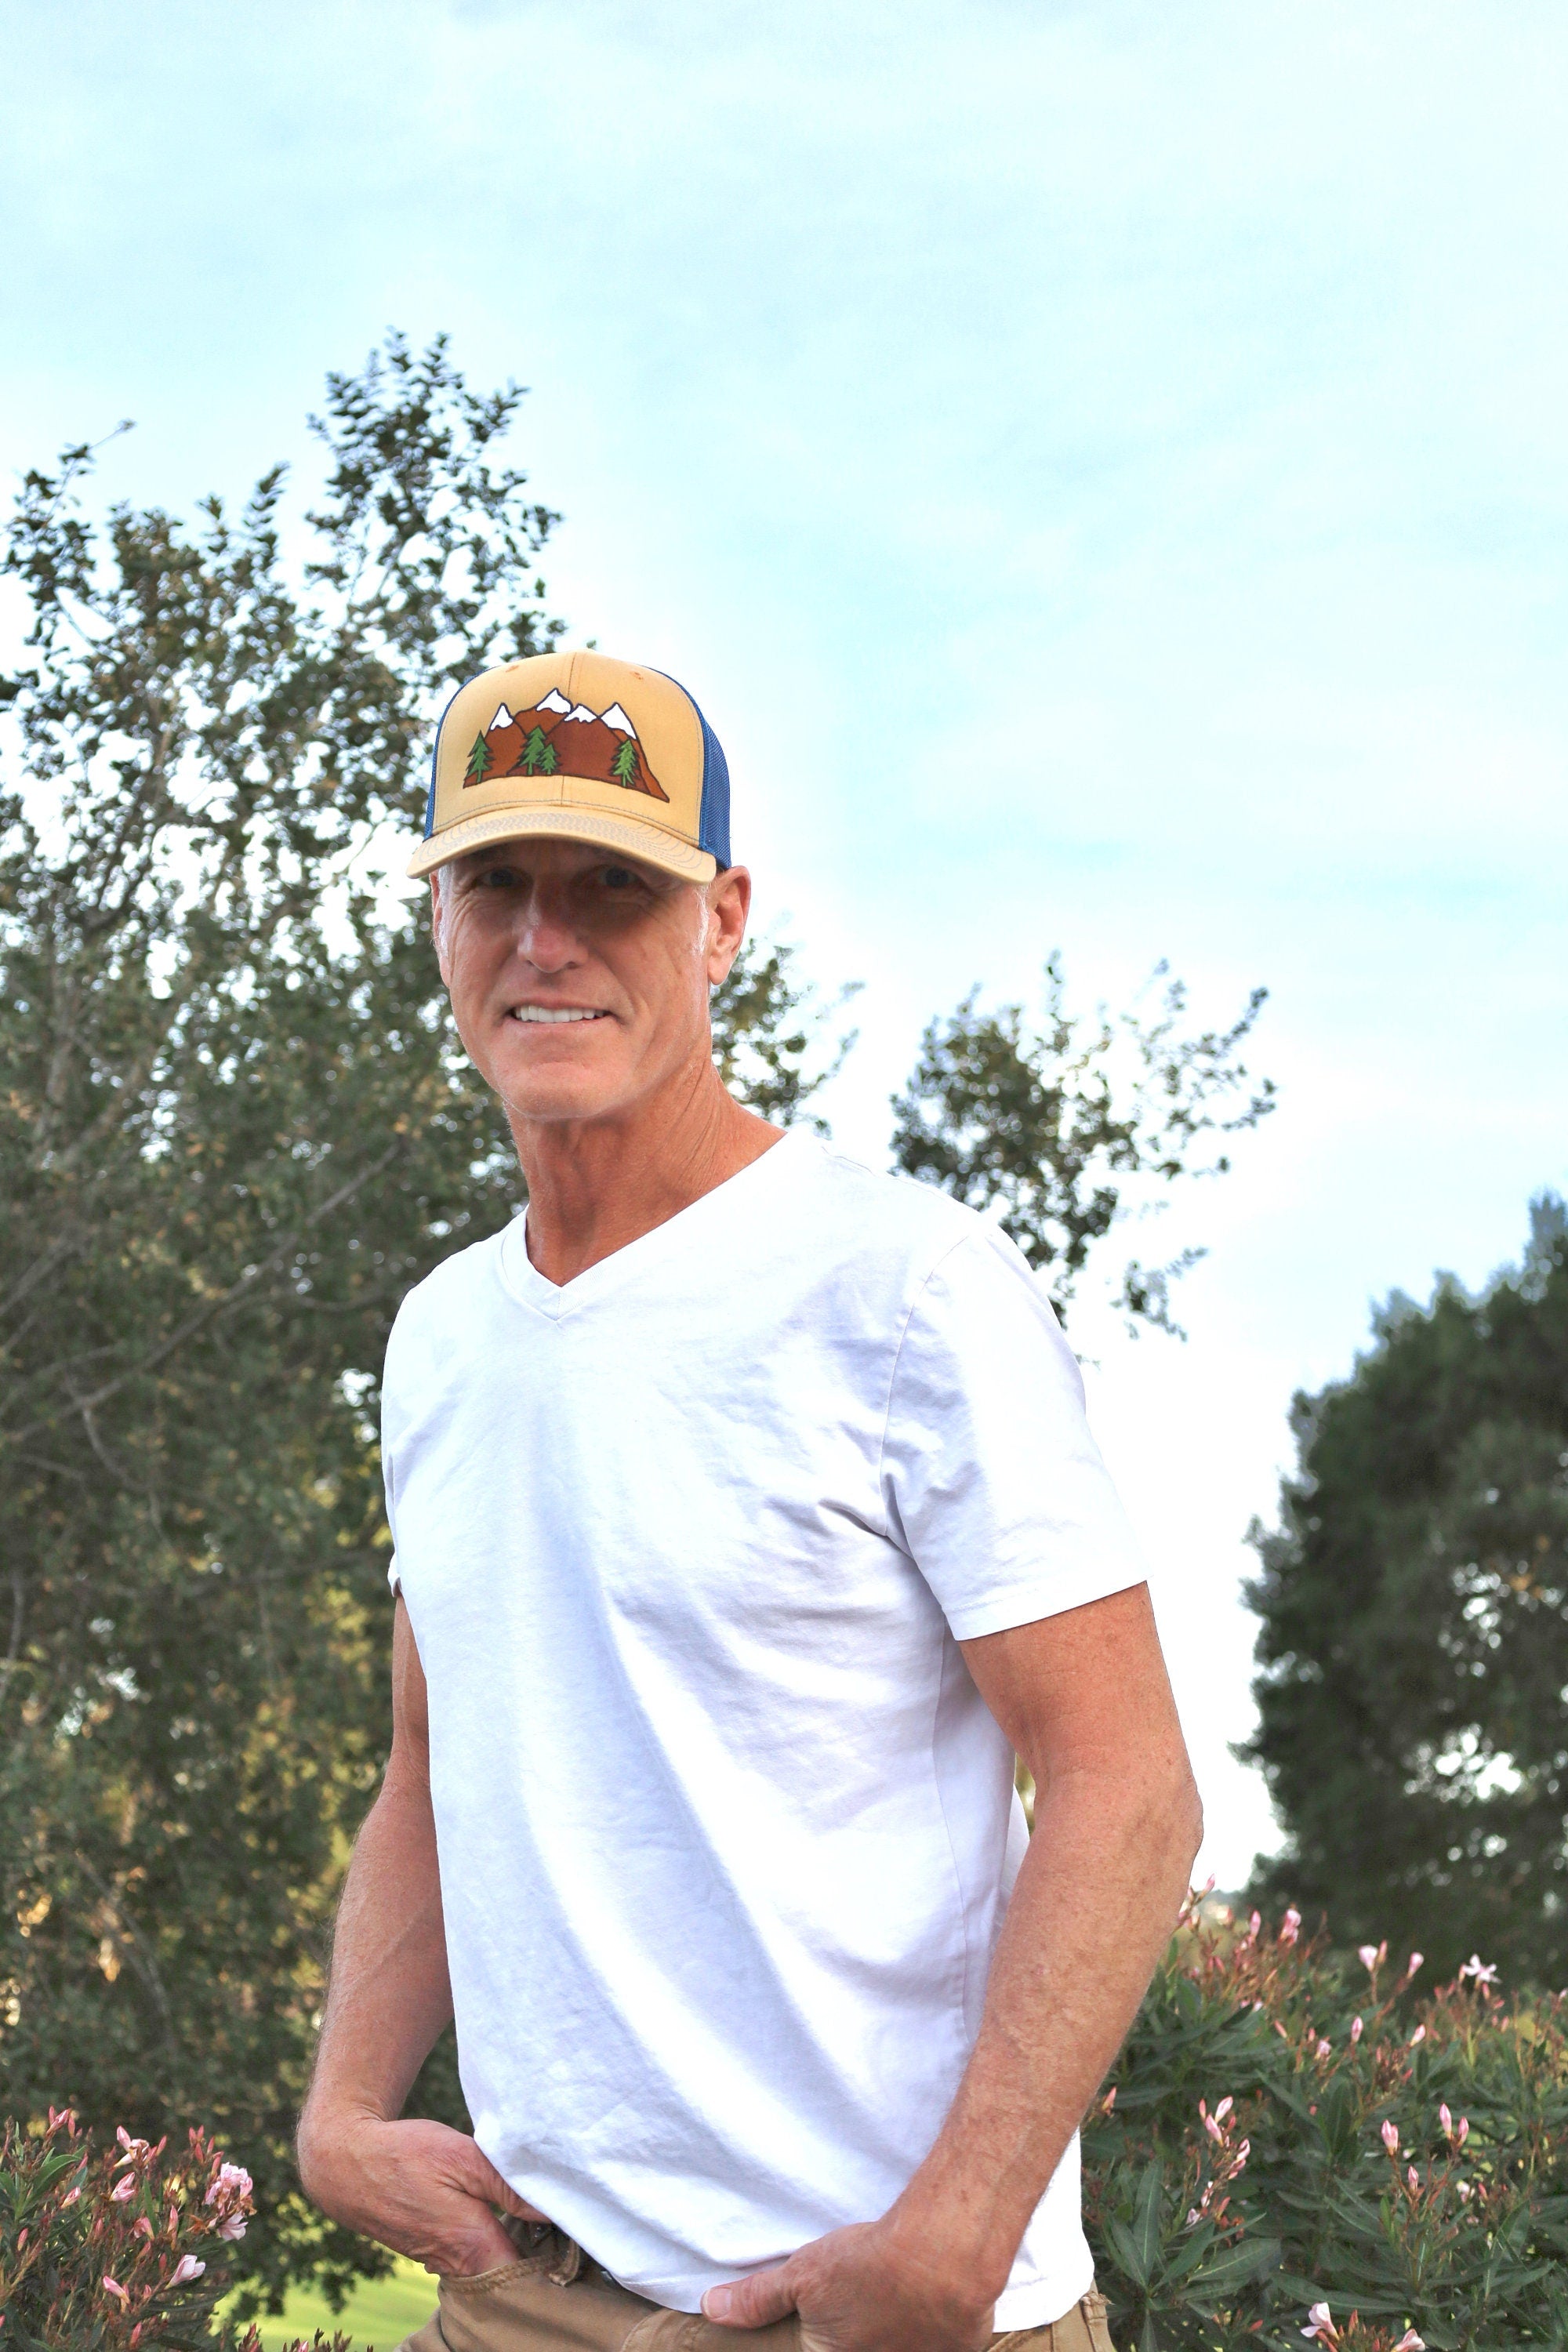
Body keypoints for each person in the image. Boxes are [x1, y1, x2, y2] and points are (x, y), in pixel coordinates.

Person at [296, 650, 1203, 2352]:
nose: (543, 941)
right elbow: (436, 1762)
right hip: (522, 2297)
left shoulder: (905, 1290)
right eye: (493, 883)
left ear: (722, 919)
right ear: (437, 925)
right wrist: (344, 2109)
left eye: (611, 890)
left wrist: (955, 2237)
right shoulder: (439, 1342)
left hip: (870, 2310)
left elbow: (1127, 1782)